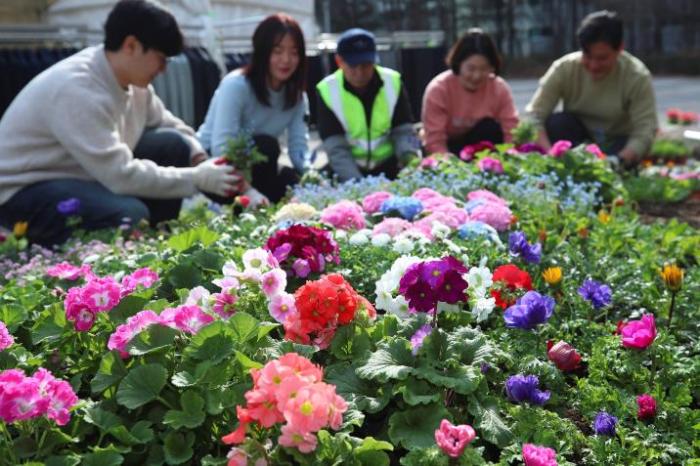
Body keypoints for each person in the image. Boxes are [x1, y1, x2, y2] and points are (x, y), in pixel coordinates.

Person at [0, 0, 242, 247]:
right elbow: (120, 175)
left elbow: (170, 125)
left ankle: (155, 239)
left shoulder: (134, 84)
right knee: (129, 215)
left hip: (81, 174)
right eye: (161, 58)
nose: (164, 70)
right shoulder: (78, 89)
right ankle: (93, 257)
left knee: (175, 144)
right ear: (131, 46)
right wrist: (197, 178)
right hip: (24, 191)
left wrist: (199, 158)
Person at [197, 13, 310, 203]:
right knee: (266, 146)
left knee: (293, 181)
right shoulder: (236, 85)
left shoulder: (297, 96)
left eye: (294, 52)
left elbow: (299, 149)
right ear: (263, 52)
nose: (286, 60)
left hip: (257, 168)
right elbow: (221, 148)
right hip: (216, 167)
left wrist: (314, 178)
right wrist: (249, 192)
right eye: (277, 51)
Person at [525, 10, 658, 166]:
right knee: (557, 123)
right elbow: (535, 115)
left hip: (616, 145)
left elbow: (645, 128)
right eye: (587, 56)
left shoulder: (636, 75)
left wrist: (619, 160)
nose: (594, 66)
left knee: (631, 148)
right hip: (577, 141)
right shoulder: (564, 68)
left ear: (620, 49)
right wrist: (550, 154)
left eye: (602, 58)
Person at [316, 28, 418, 182]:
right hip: (348, 171)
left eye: (366, 64)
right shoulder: (326, 90)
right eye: (353, 65)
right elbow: (336, 148)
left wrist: (409, 159)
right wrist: (358, 185)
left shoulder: (393, 81)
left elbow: (404, 131)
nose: (360, 72)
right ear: (339, 61)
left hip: (390, 165)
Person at [422, 28, 518, 155]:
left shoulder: (499, 88)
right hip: (450, 149)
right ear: (458, 64)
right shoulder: (439, 89)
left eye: (484, 69)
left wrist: (510, 156)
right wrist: (447, 162)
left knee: (490, 128)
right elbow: (435, 141)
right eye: (471, 69)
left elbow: (511, 131)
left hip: (485, 152)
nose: (476, 76)